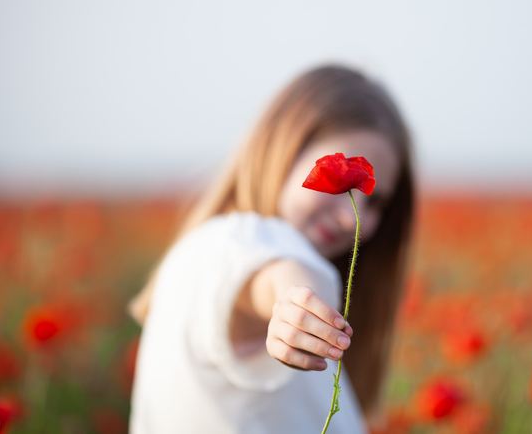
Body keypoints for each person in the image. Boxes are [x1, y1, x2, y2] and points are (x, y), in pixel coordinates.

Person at [127, 64, 416, 433]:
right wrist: (295, 297)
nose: (351, 218)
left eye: (375, 203)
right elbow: (269, 270)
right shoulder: (224, 243)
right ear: (283, 149)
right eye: (339, 186)